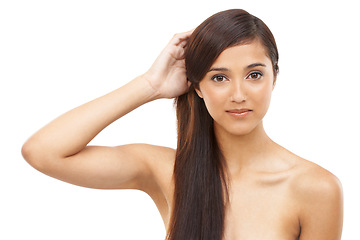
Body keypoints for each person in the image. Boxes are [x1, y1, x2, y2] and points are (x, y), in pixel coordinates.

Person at [21, 9, 343, 240]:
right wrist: (149, 84)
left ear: (274, 78)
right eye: (219, 77)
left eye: (254, 74)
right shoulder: (167, 170)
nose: (239, 94)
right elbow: (43, 152)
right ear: (198, 87)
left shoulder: (316, 189)